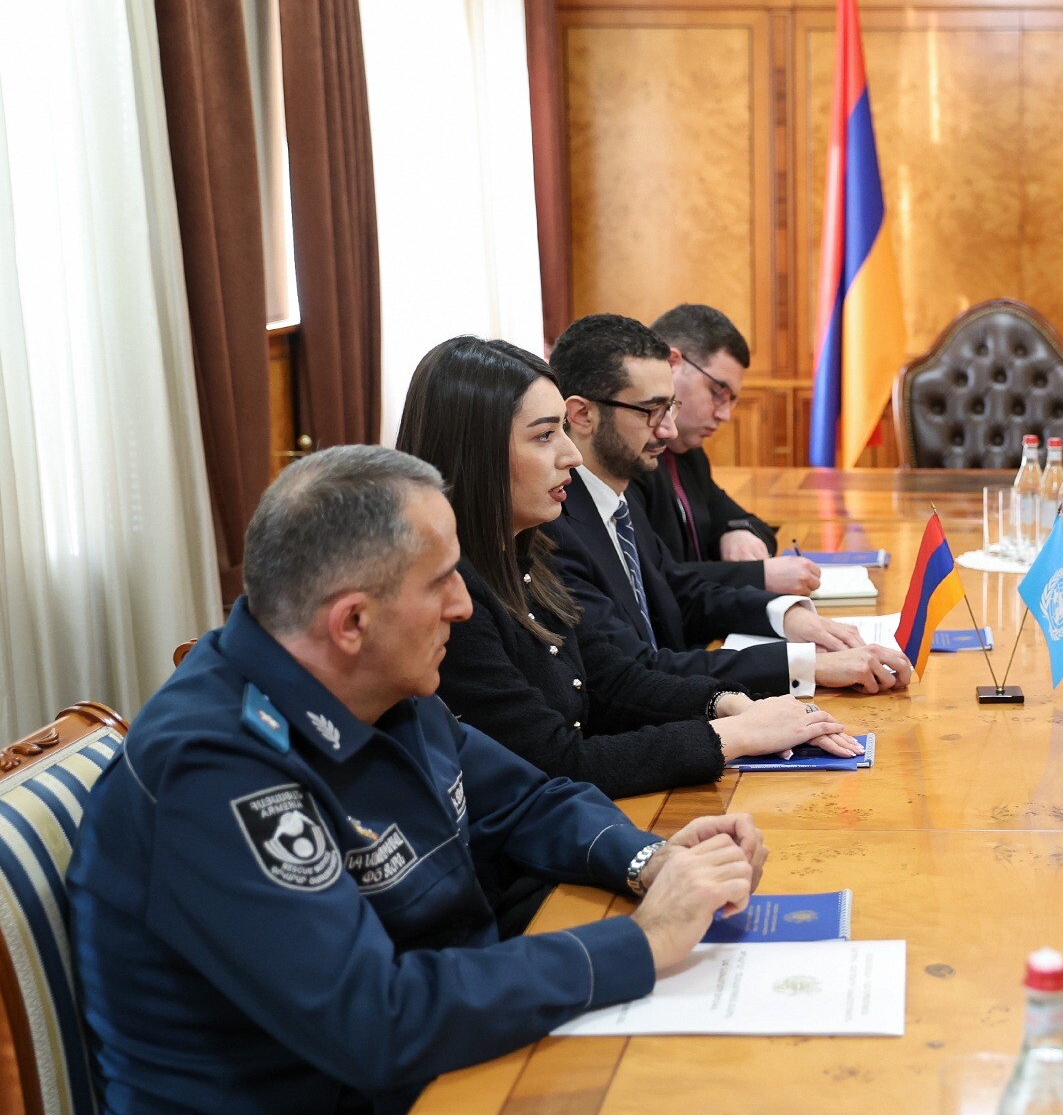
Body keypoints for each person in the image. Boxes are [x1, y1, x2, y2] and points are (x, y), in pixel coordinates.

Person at [68, 446, 771, 1114]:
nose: (464, 606)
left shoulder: (373, 684)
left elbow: (528, 799)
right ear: (352, 621)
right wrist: (641, 943)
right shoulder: (215, 772)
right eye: (442, 582)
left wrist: (649, 860)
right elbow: (373, 1020)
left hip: (446, 1059)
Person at [395, 336, 862, 800]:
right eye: (544, 436)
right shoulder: (451, 598)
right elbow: (556, 764)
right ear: (476, 453)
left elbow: (614, 680)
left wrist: (725, 703)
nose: (572, 455)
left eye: (562, 430)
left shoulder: (525, 552)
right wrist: (732, 737)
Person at [545, 313, 913, 694]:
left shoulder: (615, 498)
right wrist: (808, 665)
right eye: (651, 411)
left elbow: (680, 594)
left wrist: (788, 617)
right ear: (582, 415)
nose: (669, 429)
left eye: (670, 408)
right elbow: (640, 670)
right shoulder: (553, 529)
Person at [637, 303, 808, 592]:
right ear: (671, 363)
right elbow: (649, 581)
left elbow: (751, 523)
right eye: (718, 393)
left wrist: (737, 532)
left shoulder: (689, 455)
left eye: (731, 400)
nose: (725, 415)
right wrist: (758, 576)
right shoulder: (630, 457)